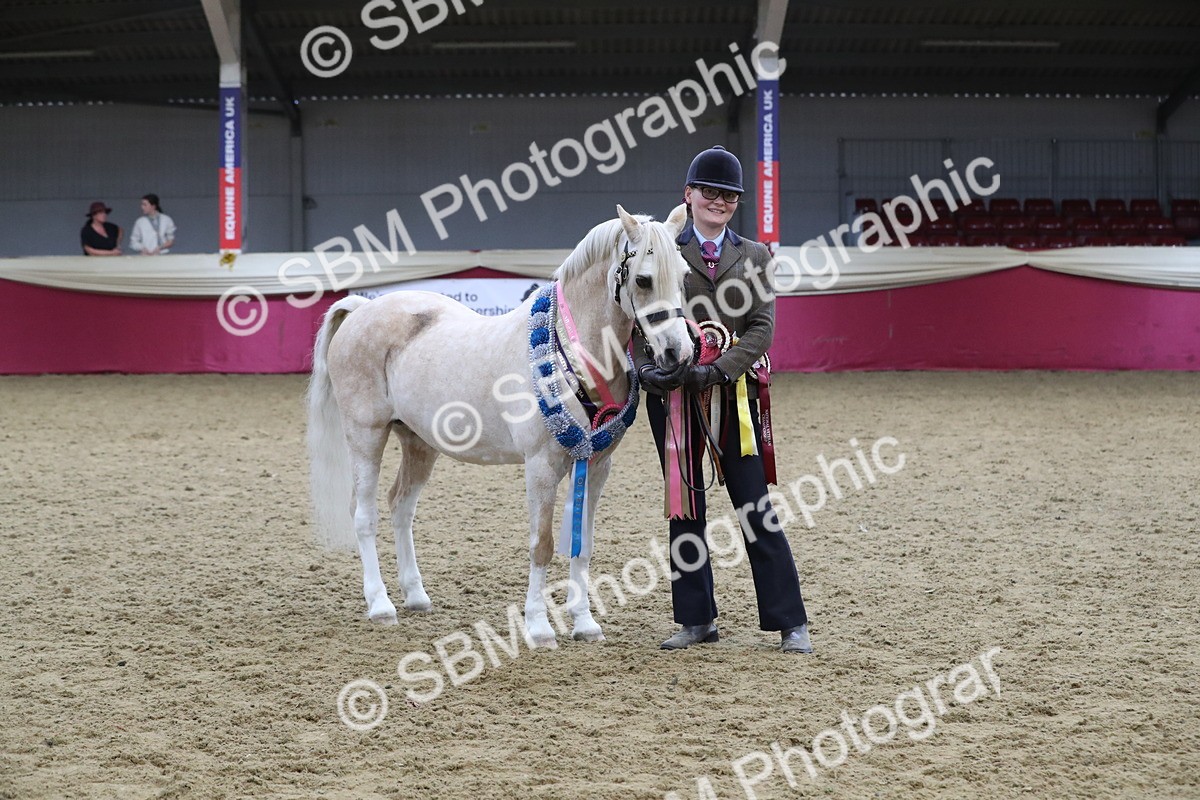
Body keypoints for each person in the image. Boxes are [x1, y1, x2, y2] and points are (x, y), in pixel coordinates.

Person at [633, 145, 813, 654]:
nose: (719, 201)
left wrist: (714, 370)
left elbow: (761, 330)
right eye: (709, 191)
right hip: (671, 399)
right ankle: (696, 619)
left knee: (755, 504)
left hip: (733, 394)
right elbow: (639, 312)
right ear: (687, 195)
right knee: (684, 509)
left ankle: (789, 620)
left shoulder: (755, 256)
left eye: (729, 194)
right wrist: (649, 370)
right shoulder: (659, 245)